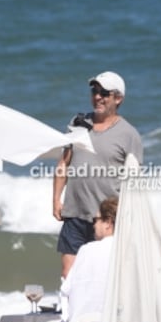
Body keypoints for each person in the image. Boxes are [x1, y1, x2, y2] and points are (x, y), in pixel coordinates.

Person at [52, 71, 143, 278]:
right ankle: (71, 311)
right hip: (74, 214)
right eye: (95, 91)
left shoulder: (129, 135)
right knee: (69, 275)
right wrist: (56, 199)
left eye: (104, 93)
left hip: (105, 220)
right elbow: (63, 163)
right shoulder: (78, 123)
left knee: (103, 277)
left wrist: (129, 217)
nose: (98, 97)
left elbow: (135, 182)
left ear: (118, 98)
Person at [46, 196, 118, 322]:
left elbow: (66, 291)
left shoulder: (87, 250)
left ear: (108, 223)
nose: (93, 225)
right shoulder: (129, 254)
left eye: (96, 220)